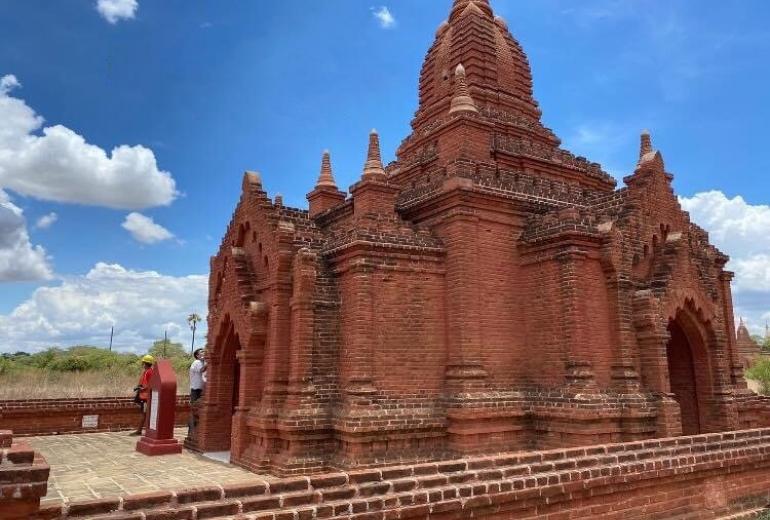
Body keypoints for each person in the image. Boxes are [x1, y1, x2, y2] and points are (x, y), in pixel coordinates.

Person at [130, 354, 155, 436]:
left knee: (144, 413)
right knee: (144, 413)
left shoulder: (149, 372)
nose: (143, 364)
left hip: (146, 396)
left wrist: (142, 389)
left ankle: (139, 430)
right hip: (143, 395)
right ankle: (141, 430)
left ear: (145, 363)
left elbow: (151, 384)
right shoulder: (147, 371)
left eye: (143, 362)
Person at [188, 349, 207, 436]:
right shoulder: (197, 363)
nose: (204, 353)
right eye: (202, 352)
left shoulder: (203, 362)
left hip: (201, 390)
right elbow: (202, 370)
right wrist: (209, 361)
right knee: (194, 410)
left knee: (198, 410)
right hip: (196, 390)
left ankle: (195, 432)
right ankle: (191, 432)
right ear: (197, 356)